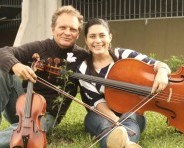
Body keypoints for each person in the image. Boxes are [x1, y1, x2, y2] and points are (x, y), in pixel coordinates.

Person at [0, 5, 89, 147]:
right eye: (62, 27)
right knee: (3, 70)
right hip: (21, 106)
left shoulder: (83, 57)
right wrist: (15, 65)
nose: (67, 32)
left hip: (46, 114)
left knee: (27, 132)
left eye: (73, 29)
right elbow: (3, 52)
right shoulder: (40, 47)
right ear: (53, 29)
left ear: (78, 34)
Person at [77, 18, 171, 148]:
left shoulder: (124, 54)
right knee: (100, 123)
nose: (97, 41)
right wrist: (115, 120)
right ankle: (127, 144)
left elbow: (157, 64)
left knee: (130, 119)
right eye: (92, 36)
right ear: (86, 40)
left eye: (102, 35)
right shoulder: (83, 69)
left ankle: (119, 142)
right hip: (103, 114)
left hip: (131, 111)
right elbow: (97, 102)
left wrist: (162, 71)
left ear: (110, 37)